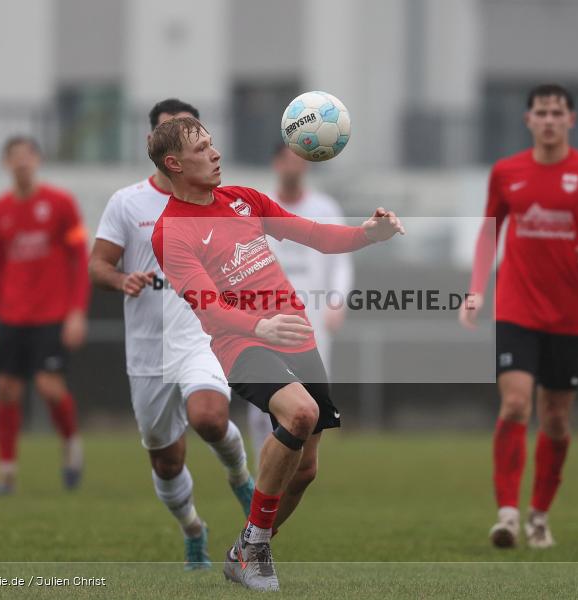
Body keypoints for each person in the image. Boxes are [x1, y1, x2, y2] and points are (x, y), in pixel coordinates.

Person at [148, 116, 404, 591]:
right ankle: (256, 550)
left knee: (305, 470)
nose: (215, 153)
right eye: (202, 148)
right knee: (301, 413)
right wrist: (258, 325)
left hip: (297, 336)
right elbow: (206, 303)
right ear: (174, 164)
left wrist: (368, 234)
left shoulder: (245, 199)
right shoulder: (171, 231)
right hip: (242, 343)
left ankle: (246, 546)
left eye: (212, 143)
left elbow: (316, 235)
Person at [460, 84, 578, 549]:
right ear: (528, 119)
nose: (549, 119)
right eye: (541, 112)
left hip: (571, 315)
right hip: (517, 307)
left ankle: (539, 516)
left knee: (555, 419)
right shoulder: (506, 172)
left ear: (571, 119)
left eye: (558, 112)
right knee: (515, 403)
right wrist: (476, 290)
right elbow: (488, 234)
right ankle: (508, 515)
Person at [89, 99, 255, 570]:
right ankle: (194, 531)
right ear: (154, 146)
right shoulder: (127, 203)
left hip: (199, 336)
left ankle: (241, 478)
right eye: (169, 136)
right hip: (146, 348)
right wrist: (122, 279)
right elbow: (98, 264)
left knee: (208, 416)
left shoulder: (219, 199)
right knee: (166, 461)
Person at [0, 135, 89, 496]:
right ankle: (6, 473)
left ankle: (72, 444)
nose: (21, 162)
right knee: (5, 389)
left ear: (38, 160)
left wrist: (76, 311)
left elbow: (80, 258)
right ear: (6, 164)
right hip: (10, 314)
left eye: (27, 155)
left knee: (48, 386)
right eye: (14, 157)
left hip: (52, 314)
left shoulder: (60, 203)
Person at [246, 144, 353, 465]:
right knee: (262, 400)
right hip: (264, 318)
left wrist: (337, 301)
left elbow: (342, 259)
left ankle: (297, 468)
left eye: (299, 161)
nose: (293, 167)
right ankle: (262, 469)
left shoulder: (325, 208)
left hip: (312, 318)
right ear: (276, 163)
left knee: (311, 399)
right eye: (287, 160)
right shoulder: (256, 207)